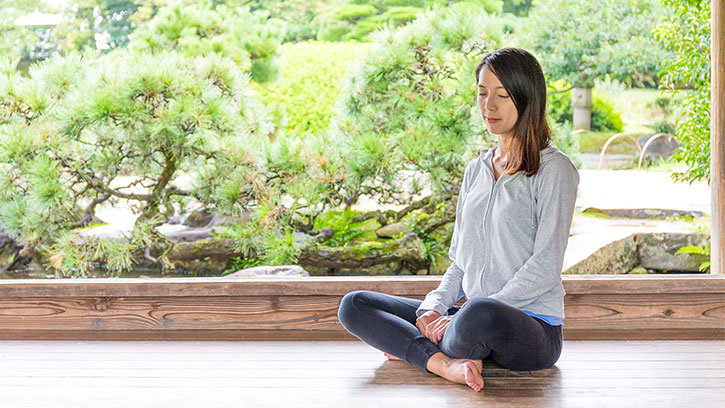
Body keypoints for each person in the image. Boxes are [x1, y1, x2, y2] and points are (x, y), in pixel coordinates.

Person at [337, 48, 579, 392]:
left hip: (529, 326)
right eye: (482, 93)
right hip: (464, 320)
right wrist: (434, 310)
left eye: (502, 95)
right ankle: (445, 363)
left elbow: (546, 266)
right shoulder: (476, 170)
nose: (488, 106)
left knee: (480, 311)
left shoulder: (554, 170)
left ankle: (417, 347)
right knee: (355, 305)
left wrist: (456, 318)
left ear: (527, 98)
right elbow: (462, 264)